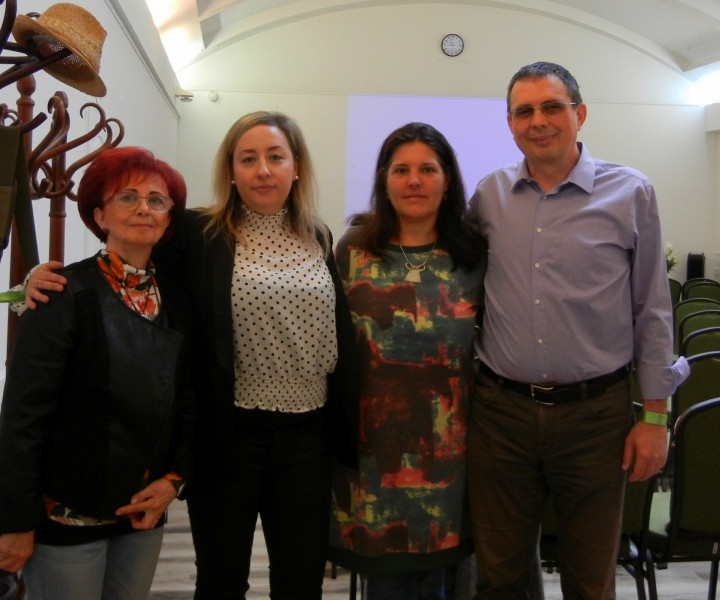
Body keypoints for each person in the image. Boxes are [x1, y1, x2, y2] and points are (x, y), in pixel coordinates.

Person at [25, 111, 359, 600]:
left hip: (308, 436)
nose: (263, 170)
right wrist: (37, 278)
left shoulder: (319, 235)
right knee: (221, 580)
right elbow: (127, 256)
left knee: (301, 580)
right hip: (228, 435)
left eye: (275, 157)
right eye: (248, 159)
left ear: (297, 167)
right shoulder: (198, 232)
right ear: (231, 172)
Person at [466, 61, 689, 599]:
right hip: (501, 416)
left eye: (552, 107)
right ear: (510, 124)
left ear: (580, 113)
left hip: (595, 420)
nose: (538, 121)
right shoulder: (489, 195)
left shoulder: (630, 192)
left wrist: (656, 418)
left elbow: (653, 309)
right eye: (524, 111)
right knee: (499, 577)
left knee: (590, 580)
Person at [0, 146, 195, 600]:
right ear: (100, 215)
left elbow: (191, 398)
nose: (144, 208)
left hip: (143, 510)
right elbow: (23, 416)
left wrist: (175, 480)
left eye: (156, 200)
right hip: (66, 514)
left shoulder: (180, 300)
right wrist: (13, 520)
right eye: (127, 197)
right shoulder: (62, 294)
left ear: (168, 218)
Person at [327, 122, 486, 599]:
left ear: (448, 180)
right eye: (401, 170)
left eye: (427, 169)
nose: (414, 181)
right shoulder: (353, 250)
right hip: (373, 456)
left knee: (448, 581)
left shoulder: (474, 254)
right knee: (387, 584)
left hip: (453, 455)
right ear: (384, 179)